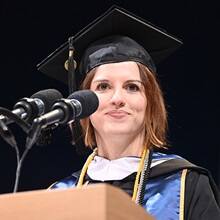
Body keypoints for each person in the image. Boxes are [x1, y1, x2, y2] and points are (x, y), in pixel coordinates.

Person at [37, 6, 220, 220]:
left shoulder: (187, 184)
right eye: (103, 86)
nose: (117, 98)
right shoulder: (57, 195)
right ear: (83, 104)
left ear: (150, 103)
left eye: (132, 87)